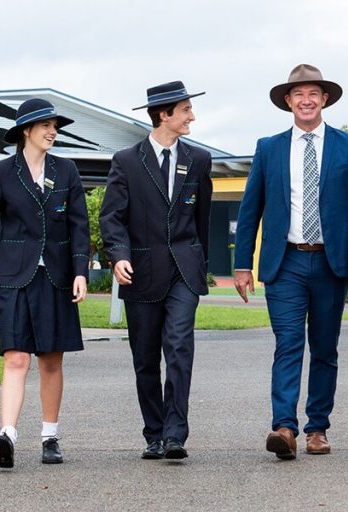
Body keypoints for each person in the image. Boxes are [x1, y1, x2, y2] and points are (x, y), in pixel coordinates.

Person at [234, 64, 348, 460]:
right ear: (288, 101)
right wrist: (242, 264)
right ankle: (284, 427)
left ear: (325, 99)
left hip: (332, 263)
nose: (306, 100)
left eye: (313, 93)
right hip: (284, 264)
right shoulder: (268, 148)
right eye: (298, 94)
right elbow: (251, 210)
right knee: (288, 343)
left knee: (324, 348)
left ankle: (317, 427)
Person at [0, 98, 90, 468]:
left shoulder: (67, 171)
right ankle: (7, 434)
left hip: (57, 278)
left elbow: (80, 226)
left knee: (50, 360)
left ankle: (50, 436)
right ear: (26, 130)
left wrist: (81, 271)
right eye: (46, 125)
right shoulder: (2, 173)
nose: (52, 131)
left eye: (55, 126)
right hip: (15, 277)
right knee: (15, 358)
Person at [99, 81, 213, 461]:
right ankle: (154, 433)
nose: (191, 116)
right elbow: (112, 217)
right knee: (145, 356)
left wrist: (201, 266)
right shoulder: (127, 161)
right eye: (185, 110)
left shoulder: (199, 160)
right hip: (142, 273)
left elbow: (203, 218)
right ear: (164, 114)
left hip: (184, 268)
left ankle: (176, 434)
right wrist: (118, 256)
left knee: (179, 347)